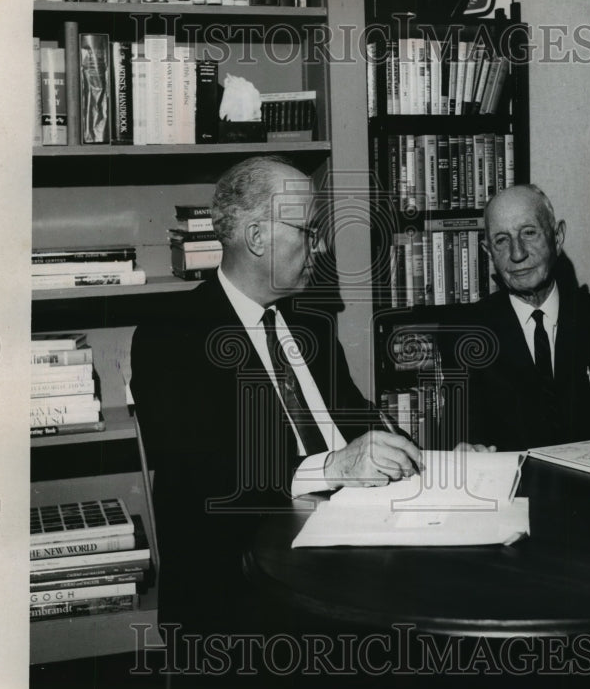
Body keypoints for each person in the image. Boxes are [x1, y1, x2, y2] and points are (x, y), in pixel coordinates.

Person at [130, 156, 420, 634]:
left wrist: (419, 455)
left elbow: (361, 421)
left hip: (353, 553)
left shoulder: (312, 327)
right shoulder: (169, 335)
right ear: (257, 237)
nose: (320, 245)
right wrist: (334, 466)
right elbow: (207, 475)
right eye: (307, 231)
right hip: (243, 586)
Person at [440, 184, 590, 451]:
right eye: (502, 240)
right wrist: (465, 450)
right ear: (488, 252)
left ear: (557, 236)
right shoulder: (465, 333)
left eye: (529, 233)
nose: (517, 254)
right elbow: (460, 435)